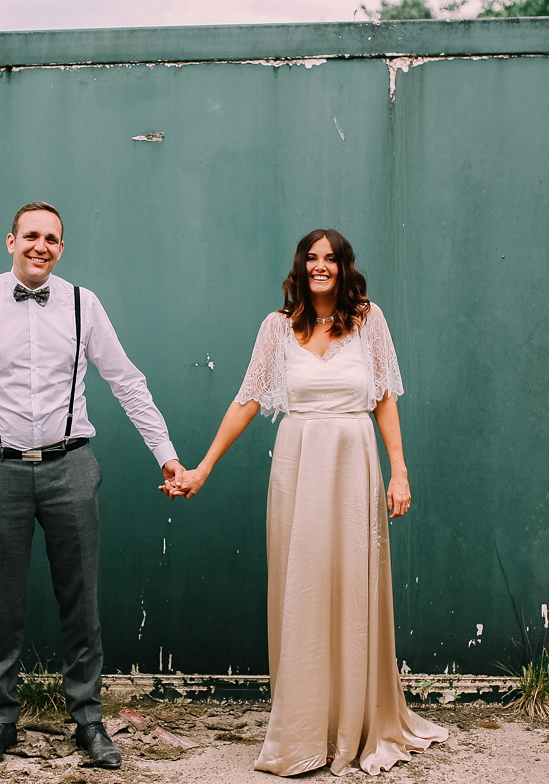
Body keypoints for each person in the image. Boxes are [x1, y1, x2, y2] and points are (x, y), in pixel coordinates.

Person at [170, 229, 447, 776]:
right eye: (312, 258)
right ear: (300, 266)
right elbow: (247, 400)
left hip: (353, 460)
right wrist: (202, 467)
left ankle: (355, 722)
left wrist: (400, 471)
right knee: (302, 585)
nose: (321, 266)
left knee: (350, 582)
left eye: (331, 259)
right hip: (296, 465)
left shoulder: (370, 320)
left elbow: (384, 398)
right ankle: (303, 725)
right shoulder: (277, 328)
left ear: (345, 267)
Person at [0, 202, 185, 773]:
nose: (41, 246)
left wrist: (165, 454)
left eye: (53, 239)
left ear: (61, 248)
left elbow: (127, 381)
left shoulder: (82, 304)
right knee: (1, 605)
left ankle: (88, 719)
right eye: (32, 236)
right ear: (11, 240)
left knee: (81, 599)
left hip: (72, 466)